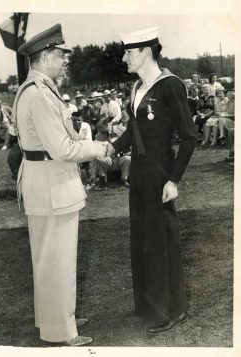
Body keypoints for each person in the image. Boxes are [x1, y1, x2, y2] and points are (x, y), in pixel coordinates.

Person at [14, 23, 107, 346]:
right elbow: (62, 150)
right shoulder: (39, 93)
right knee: (57, 261)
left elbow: (54, 139)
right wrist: (97, 148)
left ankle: (56, 317)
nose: (64, 62)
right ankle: (62, 332)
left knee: (49, 259)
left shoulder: (37, 88)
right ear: (45, 56)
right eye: (61, 56)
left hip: (46, 183)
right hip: (52, 186)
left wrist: (78, 135)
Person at [106, 27, 196, 333]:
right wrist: (111, 148)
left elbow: (189, 136)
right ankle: (147, 308)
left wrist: (174, 180)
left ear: (145, 51)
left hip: (160, 174)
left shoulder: (170, 85)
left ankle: (170, 312)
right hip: (139, 174)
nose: (124, 58)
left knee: (160, 243)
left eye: (128, 52)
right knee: (142, 242)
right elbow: (134, 130)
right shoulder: (136, 88)